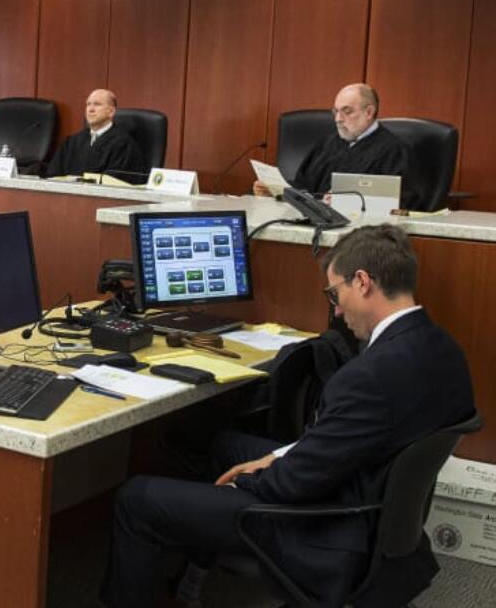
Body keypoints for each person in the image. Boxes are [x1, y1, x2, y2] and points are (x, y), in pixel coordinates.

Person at [101, 224, 474, 608]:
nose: (337, 309)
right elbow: (356, 436)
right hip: (369, 505)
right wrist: (277, 456)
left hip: (327, 527)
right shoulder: (444, 351)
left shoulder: (369, 375)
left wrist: (246, 482)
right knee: (220, 444)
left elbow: (294, 485)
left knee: (136, 499)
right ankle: (193, 578)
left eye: (335, 293)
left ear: (362, 282)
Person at [256, 83, 413, 207]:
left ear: (369, 112)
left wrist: (348, 203)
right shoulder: (328, 143)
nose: (338, 119)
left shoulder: (394, 150)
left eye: (347, 111)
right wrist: (276, 190)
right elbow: (303, 185)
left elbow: (401, 204)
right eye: (336, 111)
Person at [42, 88, 146, 179]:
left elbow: (117, 183)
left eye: (97, 104)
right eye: (88, 104)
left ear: (111, 112)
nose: (90, 109)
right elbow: (53, 175)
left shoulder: (123, 145)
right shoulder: (72, 142)